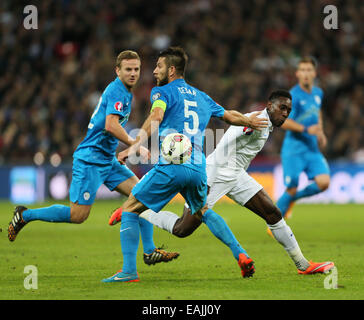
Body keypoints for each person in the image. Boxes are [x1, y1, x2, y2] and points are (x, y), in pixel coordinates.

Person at [119, 90, 334, 278]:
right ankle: (142, 212)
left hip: (236, 176)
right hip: (215, 174)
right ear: (270, 106)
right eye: (282, 108)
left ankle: (303, 265)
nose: (285, 113)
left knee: (273, 213)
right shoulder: (257, 120)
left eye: (288, 110)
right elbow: (238, 127)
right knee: (182, 229)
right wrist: (247, 125)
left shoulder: (265, 123)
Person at [102, 46, 269, 283]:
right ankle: (240, 252)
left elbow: (157, 117)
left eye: (158, 66)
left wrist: (132, 146)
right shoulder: (201, 96)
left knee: (129, 209)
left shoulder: (161, 93)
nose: (155, 70)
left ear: (171, 70)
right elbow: (230, 116)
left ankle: (129, 271)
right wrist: (248, 120)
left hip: (172, 164)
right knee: (202, 211)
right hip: (198, 167)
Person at [8, 50, 179, 266]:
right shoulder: (117, 91)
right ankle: (25, 215)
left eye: (136, 69)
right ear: (118, 71)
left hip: (107, 159)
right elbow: (110, 125)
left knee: (141, 196)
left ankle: (149, 251)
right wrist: (134, 144)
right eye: (128, 69)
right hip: (90, 159)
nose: (133, 73)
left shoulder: (126, 93)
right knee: (78, 215)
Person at [276, 57, 330, 219]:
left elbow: (317, 111)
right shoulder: (292, 96)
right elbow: (283, 122)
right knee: (292, 187)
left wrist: (320, 131)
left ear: (314, 73)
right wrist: (306, 129)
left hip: (312, 149)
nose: (306, 74)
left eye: (309, 70)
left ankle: (291, 200)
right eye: (303, 70)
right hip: (294, 149)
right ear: (297, 74)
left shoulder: (318, 93)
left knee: (324, 182)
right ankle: (274, 224)